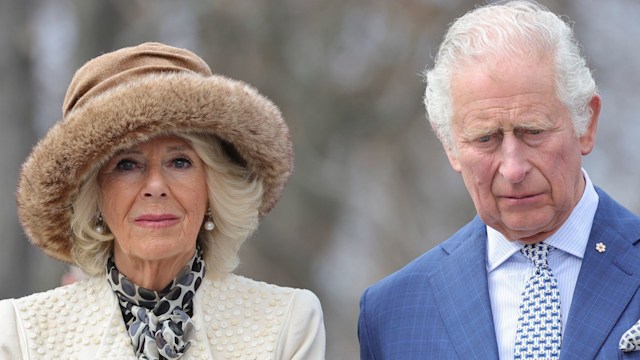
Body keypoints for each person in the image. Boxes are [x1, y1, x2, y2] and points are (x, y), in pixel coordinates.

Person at [0, 42, 325, 359]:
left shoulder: (286, 322)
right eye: (127, 165)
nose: (155, 186)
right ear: (94, 197)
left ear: (213, 186)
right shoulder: (22, 334)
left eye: (180, 162)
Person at [358, 1, 640, 359]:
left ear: (586, 123)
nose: (513, 169)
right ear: (450, 146)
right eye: (485, 138)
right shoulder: (393, 312)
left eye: (533, 131)